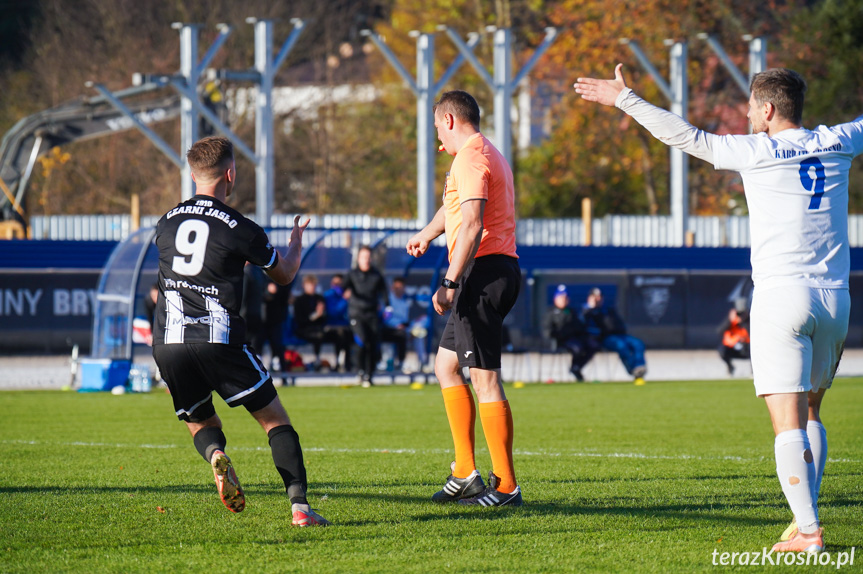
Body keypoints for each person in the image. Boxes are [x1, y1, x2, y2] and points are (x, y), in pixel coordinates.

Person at [574, 66, 863, 552]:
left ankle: (809, 531)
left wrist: (625, 99)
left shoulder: (757, 150)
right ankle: (803, 519)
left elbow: (685, 136)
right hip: (836, 297)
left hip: (782, 297)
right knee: (813, 409)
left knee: (787, 422)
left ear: (768, 110)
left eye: (751, 106)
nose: (747, 114)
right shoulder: (841, 140)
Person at [151, 135, 329, 527]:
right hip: (217, 339)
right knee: (275, 421)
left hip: (169, 342)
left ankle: (215, 455)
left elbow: (189, 267)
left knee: (201, 422)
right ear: (230, 174)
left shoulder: (165, 223)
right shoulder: (242, 228)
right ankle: (300, 507)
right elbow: (282, 275)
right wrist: (296, 244)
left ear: (193, 174)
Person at [406, 90, 523, 507]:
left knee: (484, 377)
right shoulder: (479, 153)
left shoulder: (472, 158)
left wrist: (450, 281)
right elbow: (456, 210)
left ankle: (507, 487)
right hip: (487, 269)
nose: (437, 132)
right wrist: (426, 233)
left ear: (450, 120)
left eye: (437, 123)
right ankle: (465, 473)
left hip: (483, 272)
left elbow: (472, 225)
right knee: (445, 365)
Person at [343, 245, 388, 386]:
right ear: (358, 258)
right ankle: (360, 370)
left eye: (368, 257)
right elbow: (342, 288)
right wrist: (344, 292)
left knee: (372, 343)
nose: (366, 260)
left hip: (372, 314)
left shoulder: (376, 275)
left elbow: (384, 293)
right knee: (361, 341)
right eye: (363, 257)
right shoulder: (352, 274)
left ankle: (369, 373)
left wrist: (388, 307)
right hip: (356, 313)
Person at [581, 287, 647, 382]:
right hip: (606, 338)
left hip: (620, 335)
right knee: (621, 346)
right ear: (589, 298)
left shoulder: (608, 310)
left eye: (599, 297)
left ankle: (639, 366)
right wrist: (591, 308)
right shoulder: (587, 312)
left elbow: (618, 323)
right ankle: (633, 370)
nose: (597, 299)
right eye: (595, 297)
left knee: (638, 343)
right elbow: (586, 326)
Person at [542, 285, 597, 382]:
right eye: (561, 298)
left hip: (575, 339)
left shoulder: (572, 312)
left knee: (593, 345)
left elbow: (579, 327)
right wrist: (558, 335)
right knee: (577, 348)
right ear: (556, 299)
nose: (564, 300)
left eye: (566, 298)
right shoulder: (551, 313)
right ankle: (575, 368)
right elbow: (547, 331)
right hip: (561, 341)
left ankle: (576, 367)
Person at [291, 274, 328, 369]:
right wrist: (315, 315)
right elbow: (300, 320)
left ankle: (341, 362)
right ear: (304, 286)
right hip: (303, 330)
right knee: (318, 335)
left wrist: (322, 314)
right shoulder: (299, 301)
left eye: (314, 285)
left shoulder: (319, 299)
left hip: (318, 328)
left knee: (340, 334)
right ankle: (317, 359)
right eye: (310, 285)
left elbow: (325, 318)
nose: (312, 287)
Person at [322, 273, 353, 371]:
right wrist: (344, 300)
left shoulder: (350, 295)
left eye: (340, 284)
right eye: (335, 283)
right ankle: (339, 362)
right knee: (341, 334)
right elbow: (333, 312)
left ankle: (350, 363)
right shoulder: (329, 295)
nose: (337, 286)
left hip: (347, 326)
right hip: (332, 326)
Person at [381, 277, 410, 372]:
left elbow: (405, 319)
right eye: (396, 287)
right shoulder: (387, 301)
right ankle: (385, 361)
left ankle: (402, 362)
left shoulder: (404, 302)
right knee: (400, 335)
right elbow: (386, 318)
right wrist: (397, 325)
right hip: (387, 328)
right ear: (392, 288)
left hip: (401, 328)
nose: (399, 290)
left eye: (401, 287)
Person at [240, 262, 265, 351]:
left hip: (246, 316)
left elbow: (243, 296)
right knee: (255, 348)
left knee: (244, 347)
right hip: (257, 314)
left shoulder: (246, 273)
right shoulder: (259, 272)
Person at [719, 305, 750, 376]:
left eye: (742, 314)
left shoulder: (748, 322)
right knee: (722, 350)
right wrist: (731, 321)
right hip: (734, 347)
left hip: (746, 348)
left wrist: (744, 321)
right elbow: (720, 331)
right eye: (738, 314)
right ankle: (730, 367)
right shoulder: (732, 321)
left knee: (752, 349)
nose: (740, 316)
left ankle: (753, 372)